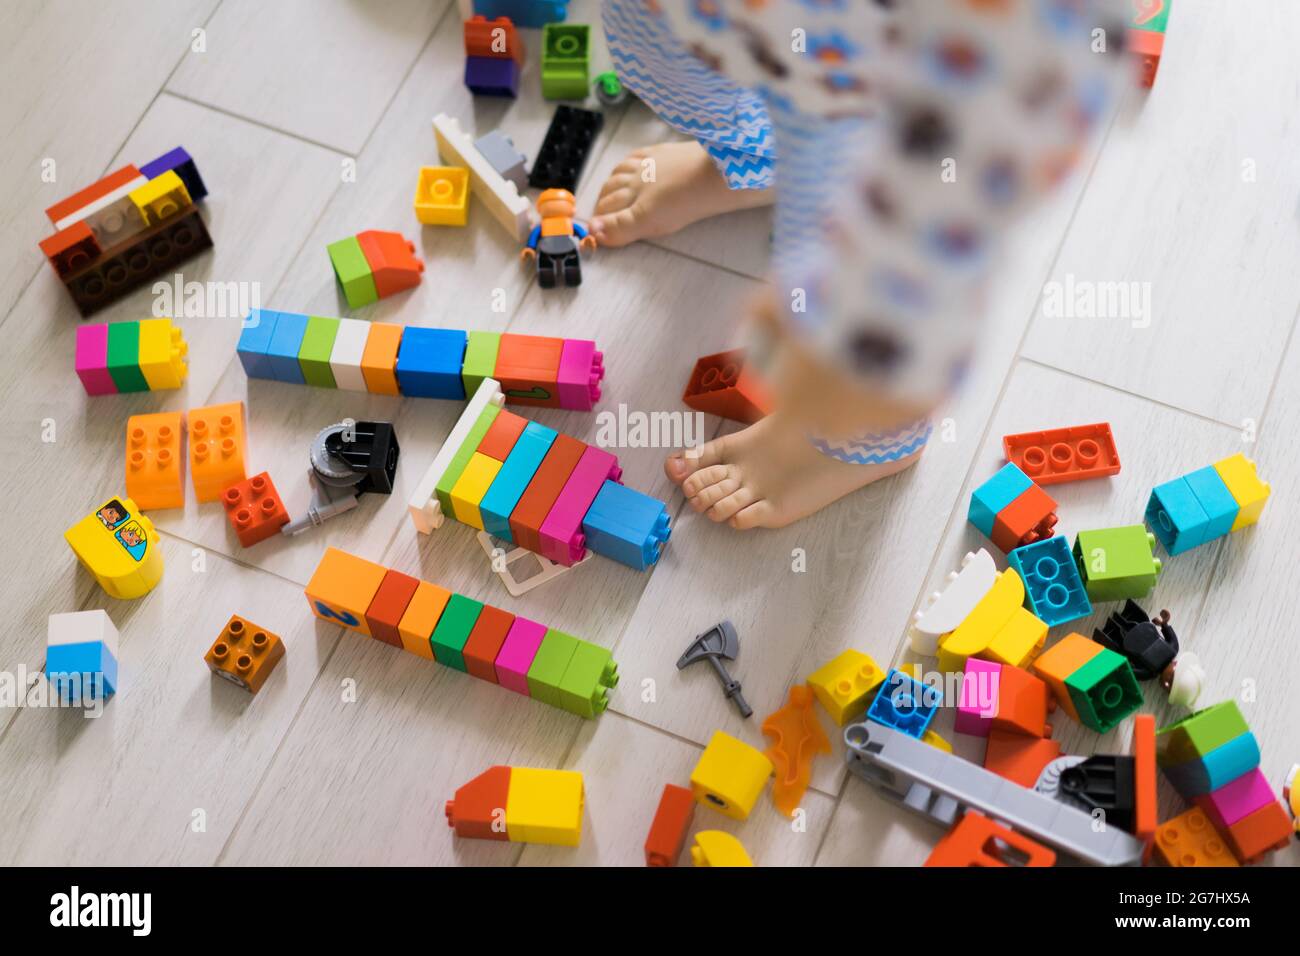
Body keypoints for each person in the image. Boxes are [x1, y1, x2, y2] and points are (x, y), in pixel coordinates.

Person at [592, 0, 1124, 529]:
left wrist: (875, 342)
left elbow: (998, 118)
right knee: (668, 48)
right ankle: (754, 155)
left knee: (905, 230)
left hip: (925, 55)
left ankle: (867, 442)